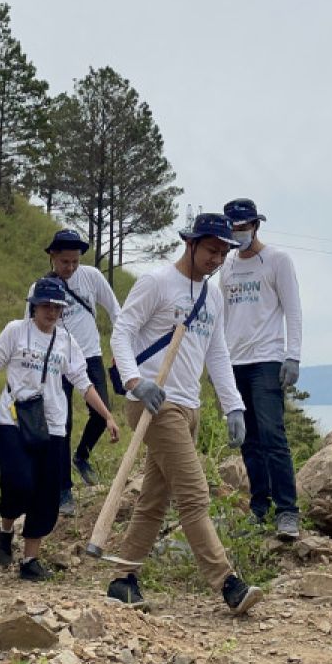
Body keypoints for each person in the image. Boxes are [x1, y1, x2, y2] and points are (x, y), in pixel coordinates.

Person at [106, 212, 264, 615]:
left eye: (223, 253)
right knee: (194, 494)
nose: (217, 259)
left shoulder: (212, 295)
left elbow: (217, 351)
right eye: (211, 250)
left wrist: (234, 406)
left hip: (189, 405)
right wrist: (133, 382)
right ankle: (227, 582)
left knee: (155, 499)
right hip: (154, 402)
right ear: (191, 244)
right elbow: (121, 332)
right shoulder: (156, 283)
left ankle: (123, 579)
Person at [0, 277, 120, 582]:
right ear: (34, 306)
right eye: (46, 305)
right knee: (17, 482)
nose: (51, 312)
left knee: (46, 492)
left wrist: (107, 416)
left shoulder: (67, 341)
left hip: (53, 423)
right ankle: (6, 529)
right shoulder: (15, 331)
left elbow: (83, 382)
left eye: (57, 307)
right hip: (13, 418)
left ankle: (30, 559)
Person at [219, 198, 304, 540]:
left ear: (256, 226)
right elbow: (222, 313)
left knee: (272, 435)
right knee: (248, 439)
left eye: (243, 227)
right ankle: (259, 506)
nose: (238, 233)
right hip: (233, 361)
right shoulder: (226, 266)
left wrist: (293, 355)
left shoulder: (277, 261)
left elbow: (293, 309)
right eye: (234, 228)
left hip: (267, 358)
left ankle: (287, 511)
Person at [30, 229, 121, 516]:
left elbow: (116, 310)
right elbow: (28, 328)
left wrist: (119, 349)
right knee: (62, 423)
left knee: (101, 411)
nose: (69, 268)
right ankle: (63, 489)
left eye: (74, 262)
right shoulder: (40, 288)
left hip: (90, 354)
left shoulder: (92, 276)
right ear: (52, 257)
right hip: (58, 360)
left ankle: (81, 456)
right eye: (64, 262)